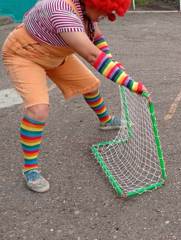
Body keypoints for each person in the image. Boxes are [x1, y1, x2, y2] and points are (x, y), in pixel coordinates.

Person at [1, 0, 149, 192]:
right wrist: (132, 84)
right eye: (105, 13)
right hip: (25, 54)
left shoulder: (85, 10)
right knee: (38, 110)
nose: (104, 18)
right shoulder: (62, 12)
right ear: (97, 4)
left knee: (90, 85)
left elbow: (97, 37)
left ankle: (106, 120)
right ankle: (30, 169)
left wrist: (111, 61)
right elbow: (93, 56)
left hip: (54, 55)